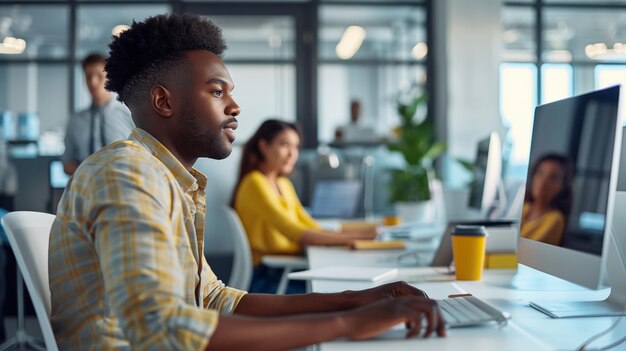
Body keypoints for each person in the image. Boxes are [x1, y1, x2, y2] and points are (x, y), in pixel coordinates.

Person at [48, 14, 445, 351]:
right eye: (217, 91)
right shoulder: (128, 174)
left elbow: (215, 298)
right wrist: (347, 325)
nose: (235, 107)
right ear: (164, 102)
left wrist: (350, 302)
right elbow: (161, 328)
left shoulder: (164, 178)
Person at [233, 119, 376, 292]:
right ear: (264, 146)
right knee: (345, 291)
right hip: (270, 278)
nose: (292, 154)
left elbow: (310, 225)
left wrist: (361, 234)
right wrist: (356, 239)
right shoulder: (254, 183)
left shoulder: (283, 183)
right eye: (285, 145)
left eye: (296, 147)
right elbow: (298, 234)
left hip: (288, 269)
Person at [62, 52, 134, 175]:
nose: (93, 82)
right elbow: (67, 164)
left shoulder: (129, 114)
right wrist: (91, 173)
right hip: (87, 190)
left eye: (99, 76)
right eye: (88, 76)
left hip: (124, 188)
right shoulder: (75, 121)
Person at [520, 153, 574, 246]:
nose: (543, 182)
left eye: (553, 177)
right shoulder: (524, 207)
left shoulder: (555, 219)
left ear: (562, 186)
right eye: (540, 173)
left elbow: (527, 249)